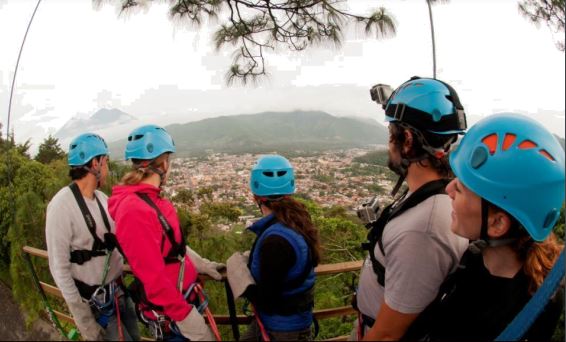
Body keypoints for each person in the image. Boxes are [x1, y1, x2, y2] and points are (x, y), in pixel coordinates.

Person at [409, 113, 564, 340]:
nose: (448, 190)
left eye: (460, 189)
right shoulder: (474, 259)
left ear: (497, 223)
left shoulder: (528, 309)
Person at [352, 77, 470, 340]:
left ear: (406, 140)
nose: (388, 145)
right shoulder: (428, 197)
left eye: (390, 134)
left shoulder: (423, 230)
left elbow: (387, 335)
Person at [108, 124, 224, 341]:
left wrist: (200, 263)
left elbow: (170, 245)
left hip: (182, 304)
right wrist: (188, 319)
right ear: (163, 163)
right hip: (174, 318)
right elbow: (152, 279)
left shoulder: (152, 200)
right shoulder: (134, 211)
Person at [46, 133, 140, 341]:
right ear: (95, 164)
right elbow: (59, 268)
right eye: (105, 162)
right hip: (97, 306)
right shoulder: (61, 207)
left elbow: (125, 239)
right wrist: (85, 321)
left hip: (119, 294)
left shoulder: (102, 199)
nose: (107, 168)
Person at [227, 154, 321, 341]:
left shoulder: (276, 240)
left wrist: (237, 272)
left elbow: (267, 299)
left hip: (283, 329)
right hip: (289, 322)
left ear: (255, 196)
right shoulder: (295, 223)